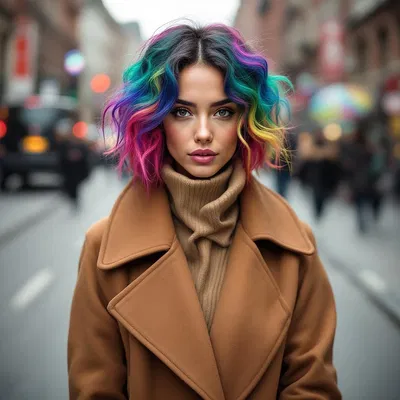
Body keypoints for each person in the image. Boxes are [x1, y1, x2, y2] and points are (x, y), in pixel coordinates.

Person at [68, 23, 341, 399]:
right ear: (156, 119)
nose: (202, 132)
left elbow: (313, 388)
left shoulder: (295, 250)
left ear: (245, 120)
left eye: (222, 112)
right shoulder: (104, 250)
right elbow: (94, 389)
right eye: (181, 112)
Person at [56, 118, 91, 210]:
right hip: (68, 169)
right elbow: (61, 156)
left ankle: (74, 199)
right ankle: (72, 198)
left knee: (75, 184)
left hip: (77, 169)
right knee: (70, 183)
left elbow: (86, 155)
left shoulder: (80, 142)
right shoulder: (64, 143)